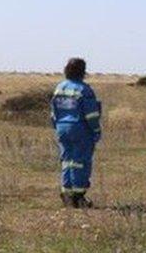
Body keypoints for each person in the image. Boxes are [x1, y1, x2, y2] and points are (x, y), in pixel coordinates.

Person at [51, 57, 102, 208]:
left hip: (62, 127)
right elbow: (91, 114)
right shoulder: (84, 90)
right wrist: (96, 130)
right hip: (80, 129)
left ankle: (66, 193)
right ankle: (78, 197)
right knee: (80, 162)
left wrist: (57, 125)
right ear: (83, 71)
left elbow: (53, 111)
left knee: (66, 159)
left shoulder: (60, 87)